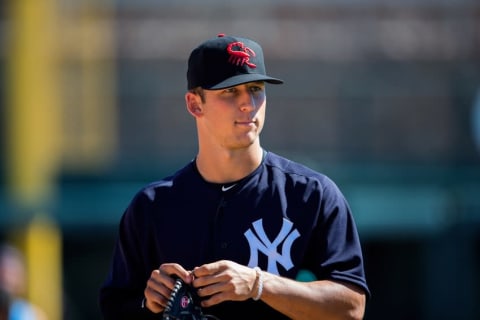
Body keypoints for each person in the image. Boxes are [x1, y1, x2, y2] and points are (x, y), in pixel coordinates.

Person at [99, 34, 369, 320]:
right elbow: (115, 308)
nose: (247, 103)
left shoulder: (311, 195)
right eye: (229, 92)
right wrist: (149, 302)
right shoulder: (151, 207)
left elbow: (351, 307)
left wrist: (259, 284)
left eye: (255, 88)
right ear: (194, 104)